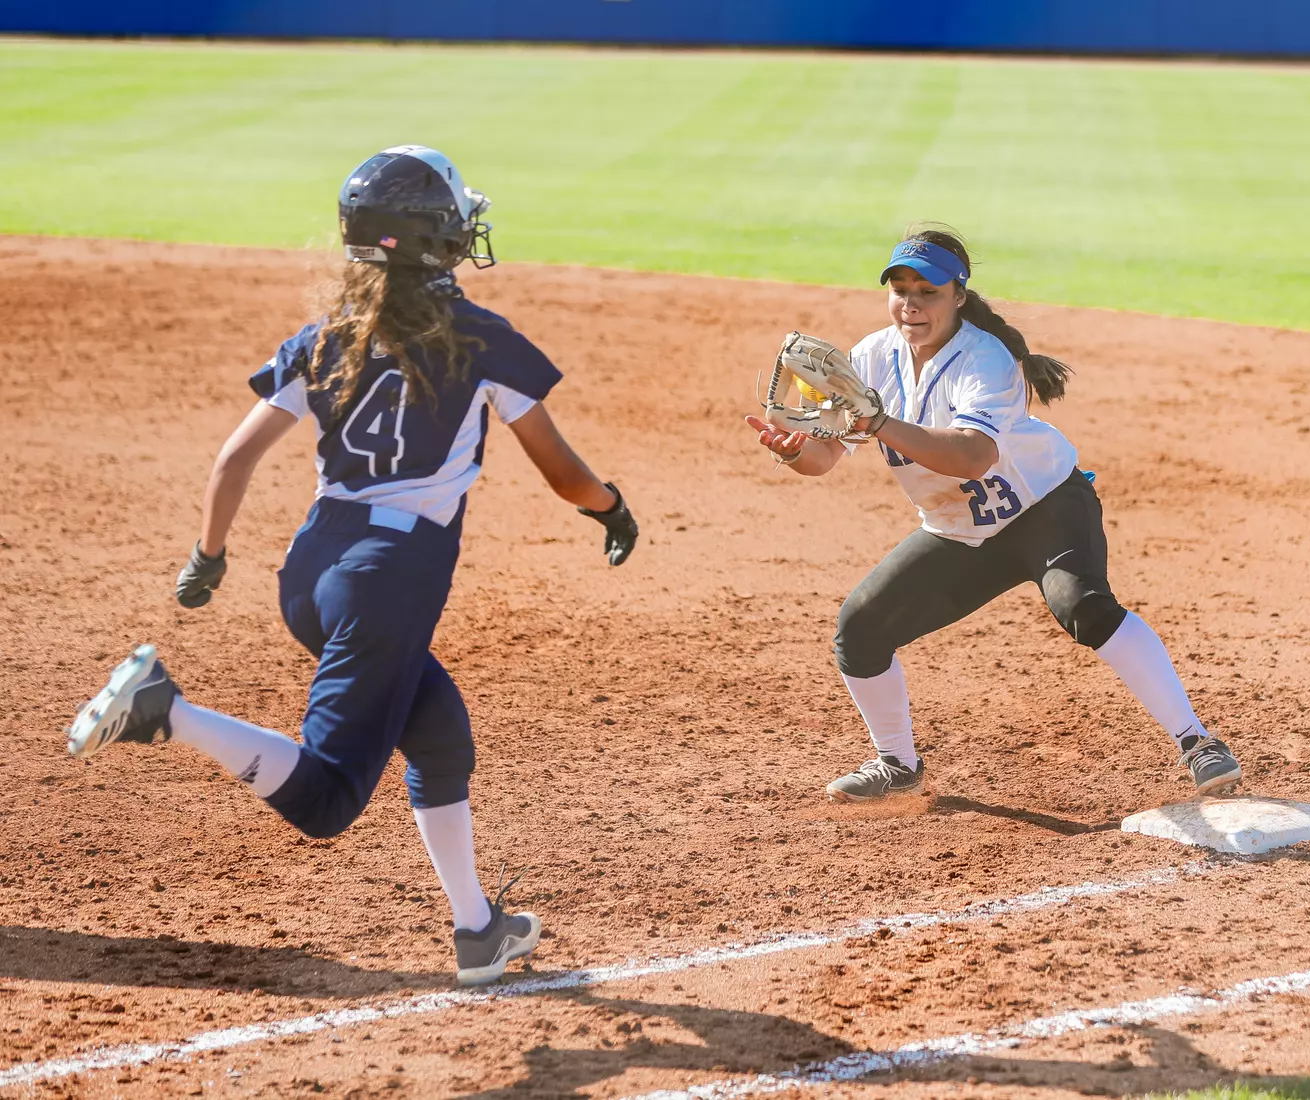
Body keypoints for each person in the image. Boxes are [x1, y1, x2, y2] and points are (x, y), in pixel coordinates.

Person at [67, 146, 639, 986]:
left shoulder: (324, 338)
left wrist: (209, 558)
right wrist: (611, 508)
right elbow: (562, 472)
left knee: (441, 742)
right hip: (388, 577)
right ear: (437, 239)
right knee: (331, 800)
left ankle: (478, 931)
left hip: (310, 574)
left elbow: (232, 462)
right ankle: (166, 711)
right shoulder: (483, 340)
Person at [745, 225, 1240, 802]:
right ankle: (898, 764)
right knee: (860, 627)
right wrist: (797, 450)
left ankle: (1198, 742)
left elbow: (974, 458)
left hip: (1045, 506)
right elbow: (826, 456)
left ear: (958, 295)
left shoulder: (986, 358)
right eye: (900, 288)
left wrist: (876, 422)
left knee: (1080, 604)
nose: (911, 303)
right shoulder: (872, 356)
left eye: (927, 291)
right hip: (960, 531)